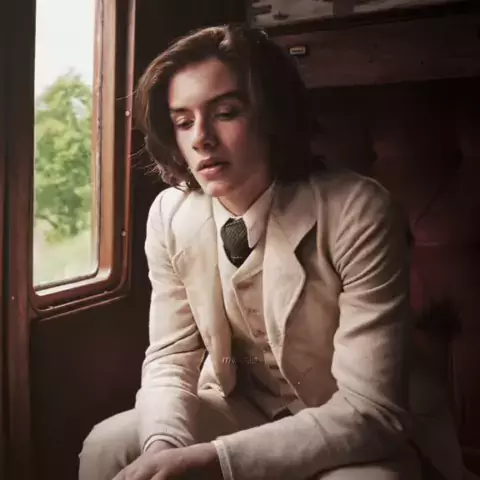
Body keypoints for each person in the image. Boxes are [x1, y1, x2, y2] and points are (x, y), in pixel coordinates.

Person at [79, 24, 465, 480]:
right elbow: (170, 357)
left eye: (225, 113)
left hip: (353, 428)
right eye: (183, 122)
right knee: (109, 446)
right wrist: (163, 449)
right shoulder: (170, 214)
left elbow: (370, 409)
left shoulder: (358, 210)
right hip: (240, 408)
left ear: (272, 116)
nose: (201, 138)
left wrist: (214, 460)